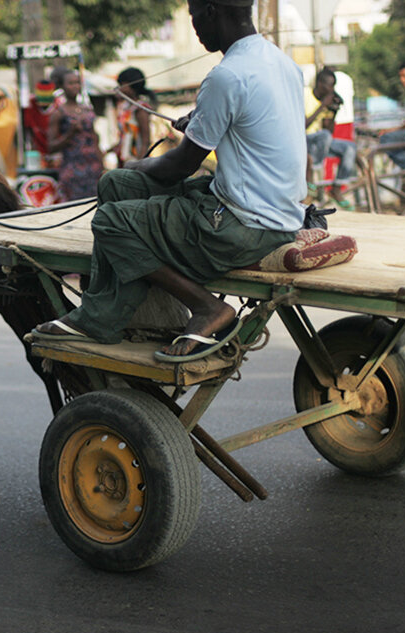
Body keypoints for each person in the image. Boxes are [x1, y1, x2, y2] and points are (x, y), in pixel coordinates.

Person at [32, 0, 305, 362]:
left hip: (242, 226)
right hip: (277, 213)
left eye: (194, 16)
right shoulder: (282, 63)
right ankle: (108, 312)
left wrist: (138, 164)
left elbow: (178, 167)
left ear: (211, 11)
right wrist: (197, 121)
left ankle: (204, 307)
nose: (195, 27)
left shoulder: (227, 75)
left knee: (112, 221)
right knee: (115, 185)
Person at [46, 70, 104, 201]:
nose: (75, 86)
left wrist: (101, 164)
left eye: (77, 83)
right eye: (70, 83)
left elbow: (95, 139)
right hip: (72, 168)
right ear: (62, 86)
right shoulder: (58, 113)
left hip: (93, 168)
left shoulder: (87, 109)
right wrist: (70, 133)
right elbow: (51, 147)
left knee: (95, 203)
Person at [305, 67, 357, 205]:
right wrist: (322, 106)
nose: (332, 89)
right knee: (324, 136)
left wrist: (334, 112)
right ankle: (313, 174)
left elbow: (329, 132)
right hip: (305, 141)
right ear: (320, 84)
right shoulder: (306, 95)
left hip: (321, 144)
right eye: (330, 85)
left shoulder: (326, 101)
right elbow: (303, 125)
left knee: (349, 148)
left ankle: (337, 188)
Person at [115, 67, 153, 167]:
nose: (119, 88)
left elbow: (146, 140)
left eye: (122, 85)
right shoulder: (126, 107)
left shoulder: (140, 108)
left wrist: (139, 164)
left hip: (136, 159)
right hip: (125, 158)